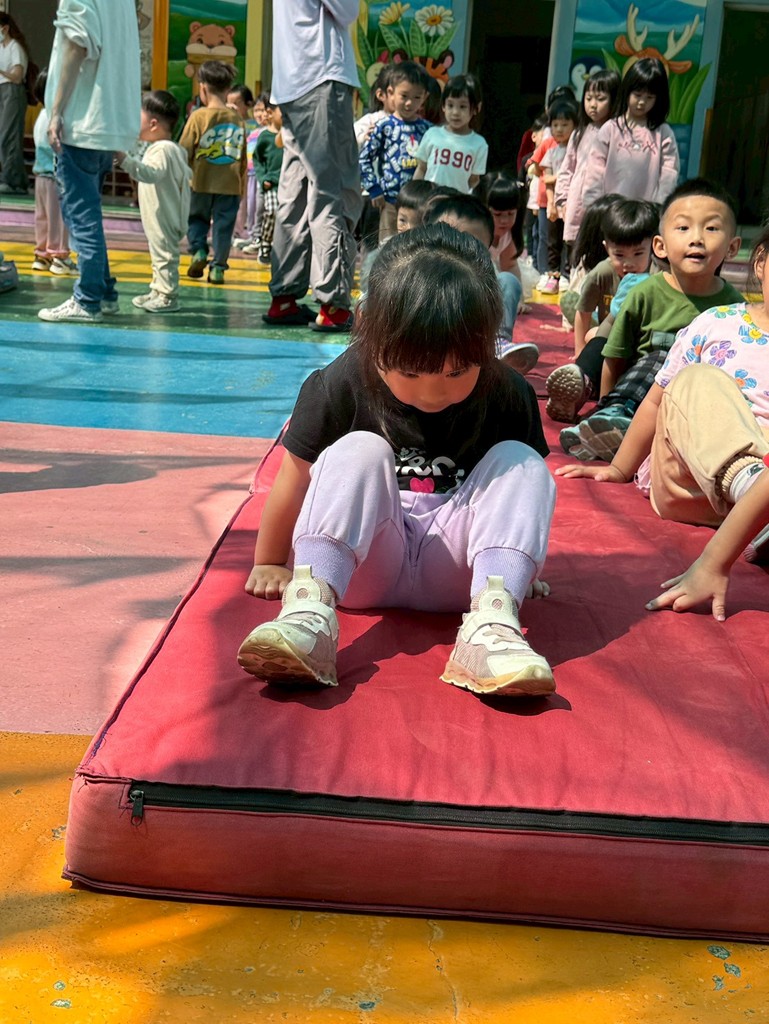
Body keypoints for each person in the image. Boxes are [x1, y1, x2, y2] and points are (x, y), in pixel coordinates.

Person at [237, 224, 556, 698]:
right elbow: (295, 478)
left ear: (488, 341)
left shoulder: (508, 393)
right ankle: (310, 611)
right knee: (358, 449)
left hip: (461, 576)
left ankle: (493, 623)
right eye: (410, 371)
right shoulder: (339, 383)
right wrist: (269, 560)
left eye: (457, 372)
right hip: (363, 566)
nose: (433, 392)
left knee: (523, 462)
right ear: (370, 329)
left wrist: (518, 569)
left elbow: (522, 499)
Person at [555, 223, 769, 620]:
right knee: (695, 381)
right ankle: (750, 487)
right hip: (689, 481)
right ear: (760, 262)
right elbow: (657, 400)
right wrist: (620, 468)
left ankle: (757, 513)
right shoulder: (717, 322)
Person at [557, 179, 744, 460]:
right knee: (662, 358)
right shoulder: (643, 294)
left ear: (732, 247)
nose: (697, 238)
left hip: (694, 407)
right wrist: (604, 407)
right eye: (683, 228)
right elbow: (615, 358)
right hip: (637, 395)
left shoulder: (734, 307)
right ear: (660, 246)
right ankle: (610, 420)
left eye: (711, 228)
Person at [38, 0, 141, 324]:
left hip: (81, 121)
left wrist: (56, 112)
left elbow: (76, 44)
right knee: (89, 215)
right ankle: (104, 291)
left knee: (82, 217)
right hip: (107, 123)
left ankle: (88, 298)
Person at [262, 0, 361, 333]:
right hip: (321, 75)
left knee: (296, 192)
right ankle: (333, 304)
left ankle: (284, 297)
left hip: (290, 82)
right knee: (332, 190)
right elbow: (347, 11)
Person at [546, 197, 658, 424]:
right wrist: (580, 351)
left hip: (640, 343)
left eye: (638, 254)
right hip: (607, 336)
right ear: (607, 248)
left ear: (655, 246)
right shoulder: (602, 273)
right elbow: (583, 312)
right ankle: (579, 384)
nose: (629, 263)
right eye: (619, 255)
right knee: (595, 339)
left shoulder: (657, 275)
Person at [423, 193, 539, 375]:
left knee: (508, 281)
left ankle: (498, 344)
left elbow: (507, 272)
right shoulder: (421, 270)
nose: (461, 251)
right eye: (452, 241)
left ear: (487, 248)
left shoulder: (483, 272)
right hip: (428, 339)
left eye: (473, 246)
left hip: (473, 336)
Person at [118, 90, 190, 313]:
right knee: (158, 252)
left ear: (153, 124)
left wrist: (124, 160)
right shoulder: (167, 148)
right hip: (159, 213)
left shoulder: (163, 149)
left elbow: (151, 174)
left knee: (164, 254)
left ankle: (168, 295)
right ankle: (158, 289)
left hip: (164, 214)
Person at [179, 60, 246, 286]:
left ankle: (198, 251)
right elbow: (242, 156)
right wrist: (241, 185)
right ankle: (218, 268)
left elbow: (184, 149)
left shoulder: (198, 117)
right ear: (228, 89)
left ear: (203, 88)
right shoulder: (237, 119)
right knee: (223, 227)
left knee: (197, 219)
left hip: (201, 181)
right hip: (230, 184)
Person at [581, 57, 679, 208]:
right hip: (610, 211)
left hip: (646, 213)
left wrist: (660, 207)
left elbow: (669, 173)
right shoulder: (610, 129)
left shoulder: (663, 133)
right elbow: (594, 170)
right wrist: (592, 205)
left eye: (649, 97)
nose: (642, 102)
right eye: (637, 95)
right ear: (627, 91)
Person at [359, 60, 431, 245]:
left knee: (415, 248)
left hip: (419, 203)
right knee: (387, 247)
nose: (409, 103)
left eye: (416, 97)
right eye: (404, 96)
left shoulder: (428, 130)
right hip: (389, 201)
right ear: (391, 92)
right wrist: (374, 189)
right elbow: (364, 158)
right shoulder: (384, 126)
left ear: (425, 97)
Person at [555, 68, 620, 251]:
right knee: (575, 252)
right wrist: (562, 200)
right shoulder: (579, 134)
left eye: (600, 99)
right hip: (576, 205)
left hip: (604, 207)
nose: (593, 105)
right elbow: (567, 169)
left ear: (615, 100)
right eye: (589, 98)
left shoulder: (618, 135)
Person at [30, 68, 77, 276]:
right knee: (59, 218)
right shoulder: (56, 118)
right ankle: (60, 256)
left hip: (40, 175)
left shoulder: (41, 115)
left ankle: (42, 255)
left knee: (43, 217)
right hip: (55, 176)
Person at [533, 95, 579, 293]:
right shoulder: (551, 152)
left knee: (570, 240)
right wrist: (551, 203)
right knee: (552, 240)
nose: (559, 129)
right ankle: (553, 275)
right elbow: (547, 179)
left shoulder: (578, 150)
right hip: (555, 204)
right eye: (555, 125)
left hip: (573, 204)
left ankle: (567, 274)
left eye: (565, 124)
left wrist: (557, 177)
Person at [413, 74, 488, 194]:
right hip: (430, 199)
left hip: (457, 202)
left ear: (476, 108)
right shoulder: (432, 135)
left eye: (462, 106)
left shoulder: (479, 144)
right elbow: (421, 168)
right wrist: (415, 196)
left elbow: (474, 180)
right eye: (450, 105)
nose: (455, 112)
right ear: (443, 106)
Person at [0, 12, 30, 195]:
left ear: (5, 28)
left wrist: (2, 71)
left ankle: (12, 180)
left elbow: (17, 76)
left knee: (8, 136)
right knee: (3, 135)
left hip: (12, 91)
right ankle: (17, 180)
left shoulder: (15, 47)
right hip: (2, 91)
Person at [252, 99, 283, 265]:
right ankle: (265, 242)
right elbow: (257, 160)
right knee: (271, 211)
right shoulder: (264, 137)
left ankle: (279, 246)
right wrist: (263, 178)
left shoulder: (289, 135)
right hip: (271, 183)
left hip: (287, 183)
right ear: (270, 113)